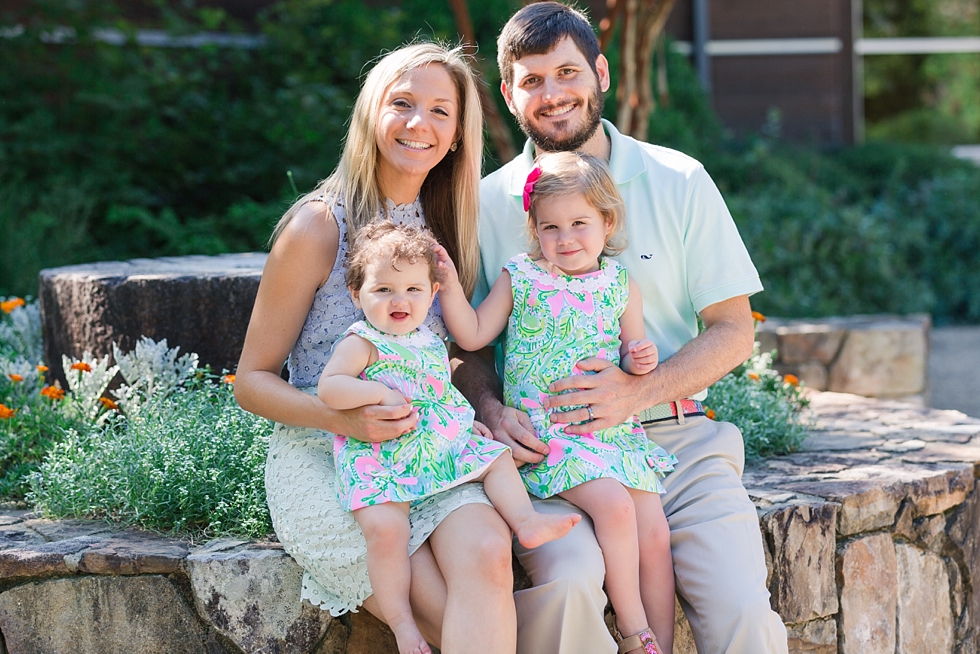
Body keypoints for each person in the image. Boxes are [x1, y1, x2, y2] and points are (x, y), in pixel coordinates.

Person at [452, 3, 790, 653]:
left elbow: (732, 328)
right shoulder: (487, 203)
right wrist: (492, 411)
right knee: (568, 584)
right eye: (532, 80)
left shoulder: (679, 179)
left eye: (567, 72)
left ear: (601, 72)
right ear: (507, 94)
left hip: (678, 439)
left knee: (743, 611)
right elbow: (463, 345)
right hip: (552, 446)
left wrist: (637, 391)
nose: (552, 94)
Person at [235, 42, 519, 653]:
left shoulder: (445, 227)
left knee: (492, 556)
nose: (420, 123)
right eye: (403, 103)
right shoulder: (319, 226)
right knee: (440, 611)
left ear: (457, 135)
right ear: (371, 112)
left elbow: (454, 351)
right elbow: (251, 381)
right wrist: (342, 416)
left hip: (431, 446)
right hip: (328, 451)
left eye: (441, 111)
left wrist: (489, 411)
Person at [436, 151, 677, 654]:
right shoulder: (520, 278)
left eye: (579, 224)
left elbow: (632, 362)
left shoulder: (620, 285)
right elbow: (474, 333)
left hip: (609, 433)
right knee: (613, 505)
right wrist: (451, 288)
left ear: (607, 223)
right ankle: (636, 634)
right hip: (551, 436)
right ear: (534, 229)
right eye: (551, 227)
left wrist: (640, 359)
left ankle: (664, 644)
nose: (565, 239)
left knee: (653, 531)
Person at [318, 221, 579, 654]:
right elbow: (331, 387)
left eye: (413, 290)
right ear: (355, 294)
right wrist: (378, 392)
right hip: (383, 455)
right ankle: (403, 625)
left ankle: (525, 520)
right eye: (383, 290)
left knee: (494, 455)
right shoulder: (362, 341)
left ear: (432, 294)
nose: (399, 301)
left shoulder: (428, 340)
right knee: (386, 533)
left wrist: (464, 421)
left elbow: (440, 392)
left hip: (434, 448)